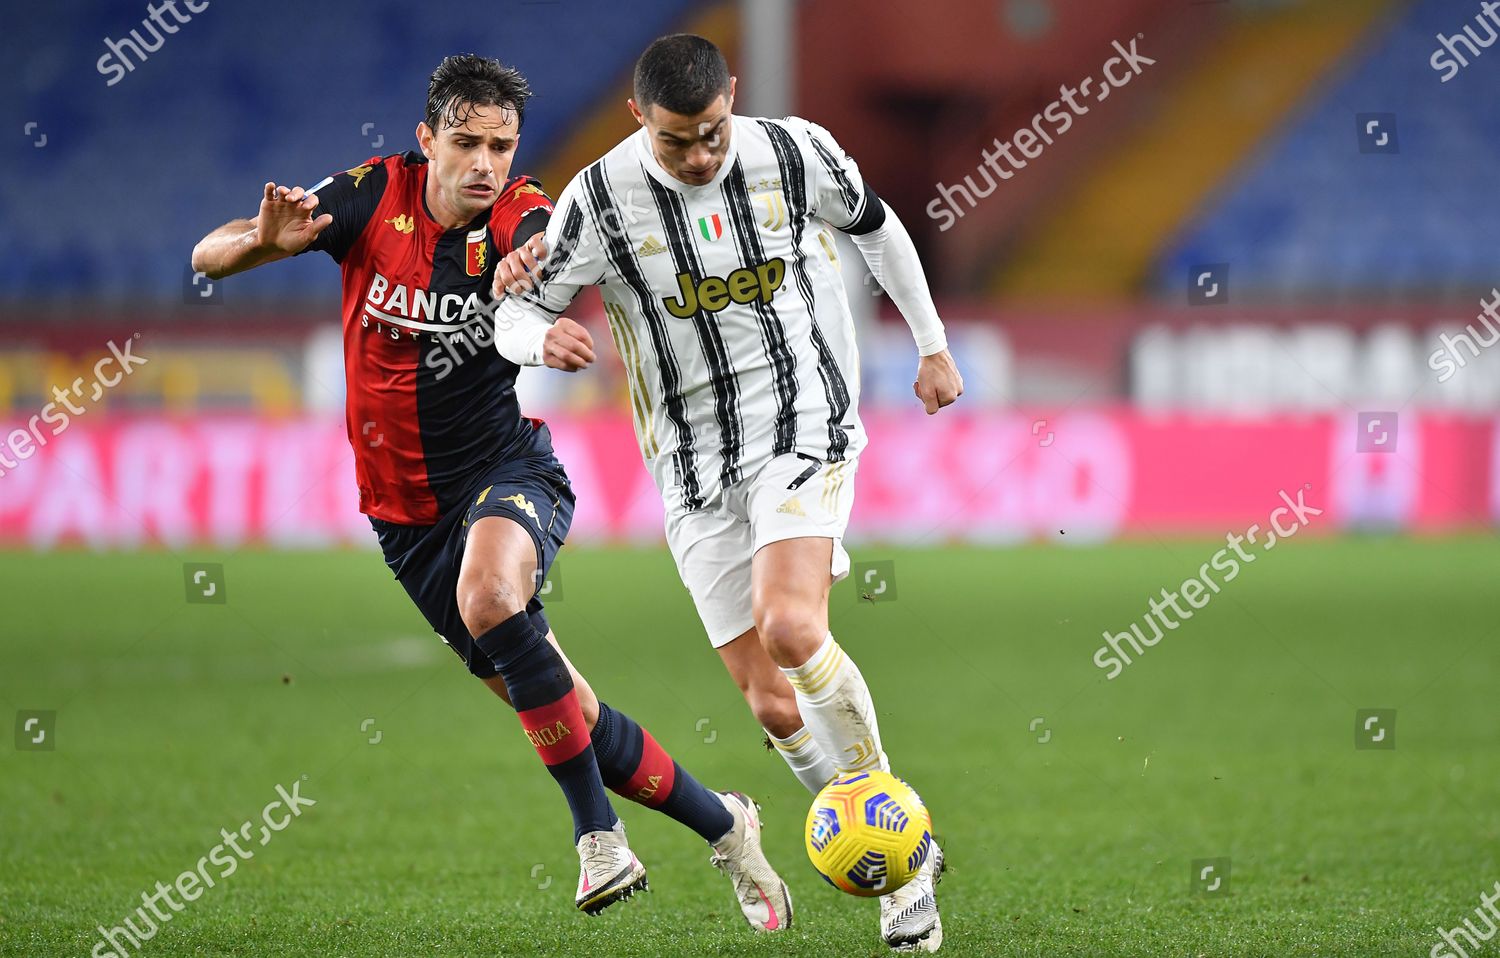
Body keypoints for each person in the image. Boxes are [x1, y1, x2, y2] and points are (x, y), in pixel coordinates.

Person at [190, 52, 791, 929]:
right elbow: (207, 254)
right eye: (466, 143)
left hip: (507, 474)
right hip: (405, 523)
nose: (485, 164)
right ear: (426, 139)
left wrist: (534, 280)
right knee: (572, 714)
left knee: (491, 596)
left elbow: (540, 241)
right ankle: (726, 825)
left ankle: (599, 840)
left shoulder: (519, 212)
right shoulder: (367, 196)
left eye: (501, 146)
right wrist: (261, 242)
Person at [490, 34, 962, 953]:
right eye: (678, 143)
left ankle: (900, 866)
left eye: (712, 133)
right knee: (773, 705)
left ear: (733, 99)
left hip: (804, 422)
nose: (701, 156)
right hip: (691, 468)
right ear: (638, 121)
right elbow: (519, 307)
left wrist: (931, 342)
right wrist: (535, 342)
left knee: (792, 627)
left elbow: (875, 226)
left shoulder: (794, 151)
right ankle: (902, 844)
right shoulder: (598, 200)